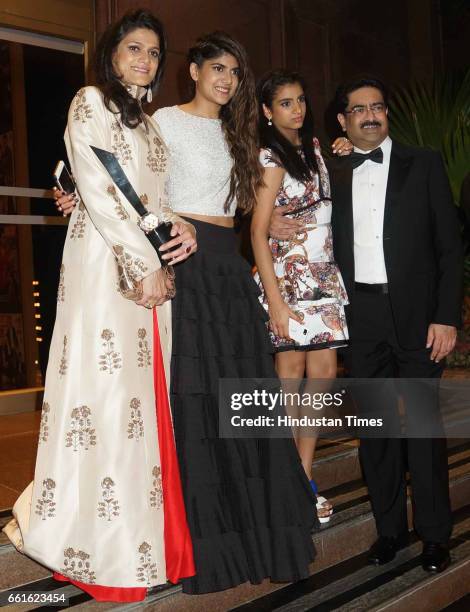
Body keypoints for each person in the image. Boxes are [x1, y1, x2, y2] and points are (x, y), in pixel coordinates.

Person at [57, 31, 318, 595]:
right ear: (193, 71)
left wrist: (330, 156)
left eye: (234, 71)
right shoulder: (162, 123)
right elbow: (120, 176)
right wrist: (71, 190)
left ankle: (263, 534)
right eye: (216, 68)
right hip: (186, 265)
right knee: (197, 405)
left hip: (229, 269)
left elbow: (279, 171)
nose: (226, 80)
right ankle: (210, 544)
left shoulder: (242, 131)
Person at [4, 10, 196, 602]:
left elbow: (153, 198)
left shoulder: (150, 124)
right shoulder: (91, 100)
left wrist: (180, 233)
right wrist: (146, 268)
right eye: (133, 48)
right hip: (106, 268)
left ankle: (139, 537)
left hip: (151, 268)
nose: (143, 59)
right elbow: (101, 190)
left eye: (153, 52)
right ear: (111, 54)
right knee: (107, 398)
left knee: (141, 402)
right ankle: (96, 541)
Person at [270, 75, 463, 573]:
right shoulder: (329, 169)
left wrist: (446, 316)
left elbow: (449, 246)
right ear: (343, 121)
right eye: (359, 110)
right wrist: (267, 221)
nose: (371, 116)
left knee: (422, 431)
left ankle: (436, 536)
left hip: (421, 320)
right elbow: (285, 203)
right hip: (360, 318)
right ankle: (389, 532)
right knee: (375, 434)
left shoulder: (424, 163)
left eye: (378, 107)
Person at [251, 70, 349, 523]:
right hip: (289, 277)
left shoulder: (314, 149)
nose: (297, 109)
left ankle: (302, 475)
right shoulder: (270, 156)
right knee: (290, 373)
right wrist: (274, 300)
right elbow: (257, 227)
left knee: (324, 372)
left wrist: (344, 150)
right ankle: (292, 481)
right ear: (268, 112)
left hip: (324, 275)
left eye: (301, 99)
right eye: (286, 103)